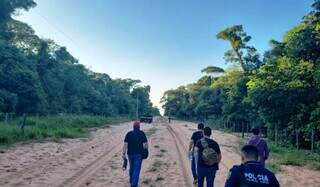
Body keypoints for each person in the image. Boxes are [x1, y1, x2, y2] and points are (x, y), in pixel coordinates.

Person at [122, 121, 148, 187]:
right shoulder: (142, 133)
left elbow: (125, 145)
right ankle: (134, 184)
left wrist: (123, 153)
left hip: (130, 154)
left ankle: (131, 181)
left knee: (132, 168)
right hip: (139, 154)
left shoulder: (129, 134)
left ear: (133, 127)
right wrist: (146, 151)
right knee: (136, 169)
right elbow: (145, 145)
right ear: (139, 127)